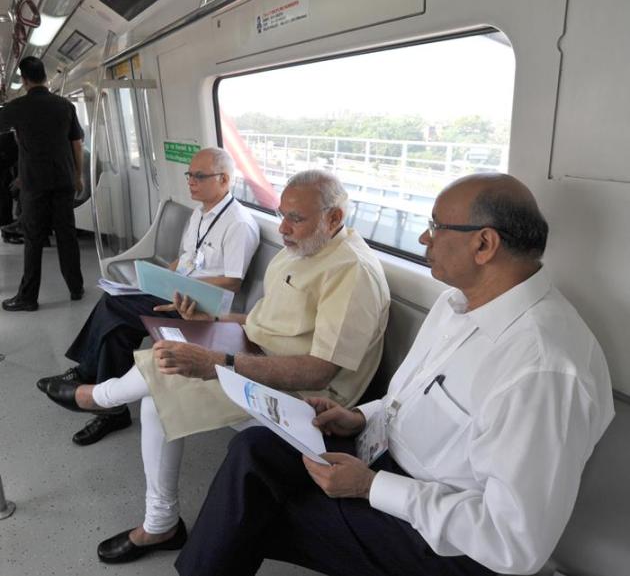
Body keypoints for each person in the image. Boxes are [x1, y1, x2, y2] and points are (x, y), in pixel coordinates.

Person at [174, 173, 615, 576]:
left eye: (437, 226)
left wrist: (371, 487)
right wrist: (362, 418)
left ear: (484, 245)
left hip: (447, 540)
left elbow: (513, 542)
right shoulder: (455, 305)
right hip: (385, 458)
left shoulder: (543, 369)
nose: (424, 237)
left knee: (258, 507)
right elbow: (415, 397)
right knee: (254, 449)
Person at [44, 168, 391, 564]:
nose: (283, 228)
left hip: (308, 403)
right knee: (166, 379)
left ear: (334, 218)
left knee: (165, 385)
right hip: (262, 357)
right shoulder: (301, 250)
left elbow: (318, 373)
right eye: (281, 214)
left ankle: (101, 399)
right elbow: (264, 325)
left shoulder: (351, 272)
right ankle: (159, 519)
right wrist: (210, 321)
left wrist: (220, 361)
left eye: (296, 218)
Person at [38, 147, 260, 446]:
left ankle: (89, 377)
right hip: (177, 291)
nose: (190, 181)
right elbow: (185, 258)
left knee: (113, 306)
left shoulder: (239, 223)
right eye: (189, 175)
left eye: (199, 176)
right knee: (118, 324)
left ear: (223, 179)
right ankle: (107, 405)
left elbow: (232, 281)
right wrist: (160, 277)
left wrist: (178, 284)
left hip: (199, 307)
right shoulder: (200, 213)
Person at [0, 56, 84, 311]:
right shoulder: (65, 105)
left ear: (24, 80)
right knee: (67, 234)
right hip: (63, 179)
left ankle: (28, 297)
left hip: (35, 183)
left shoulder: (17, 108)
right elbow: (76, 144)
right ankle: (76, 287)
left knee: (34, 238)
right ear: (45, 76)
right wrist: (78, 175)